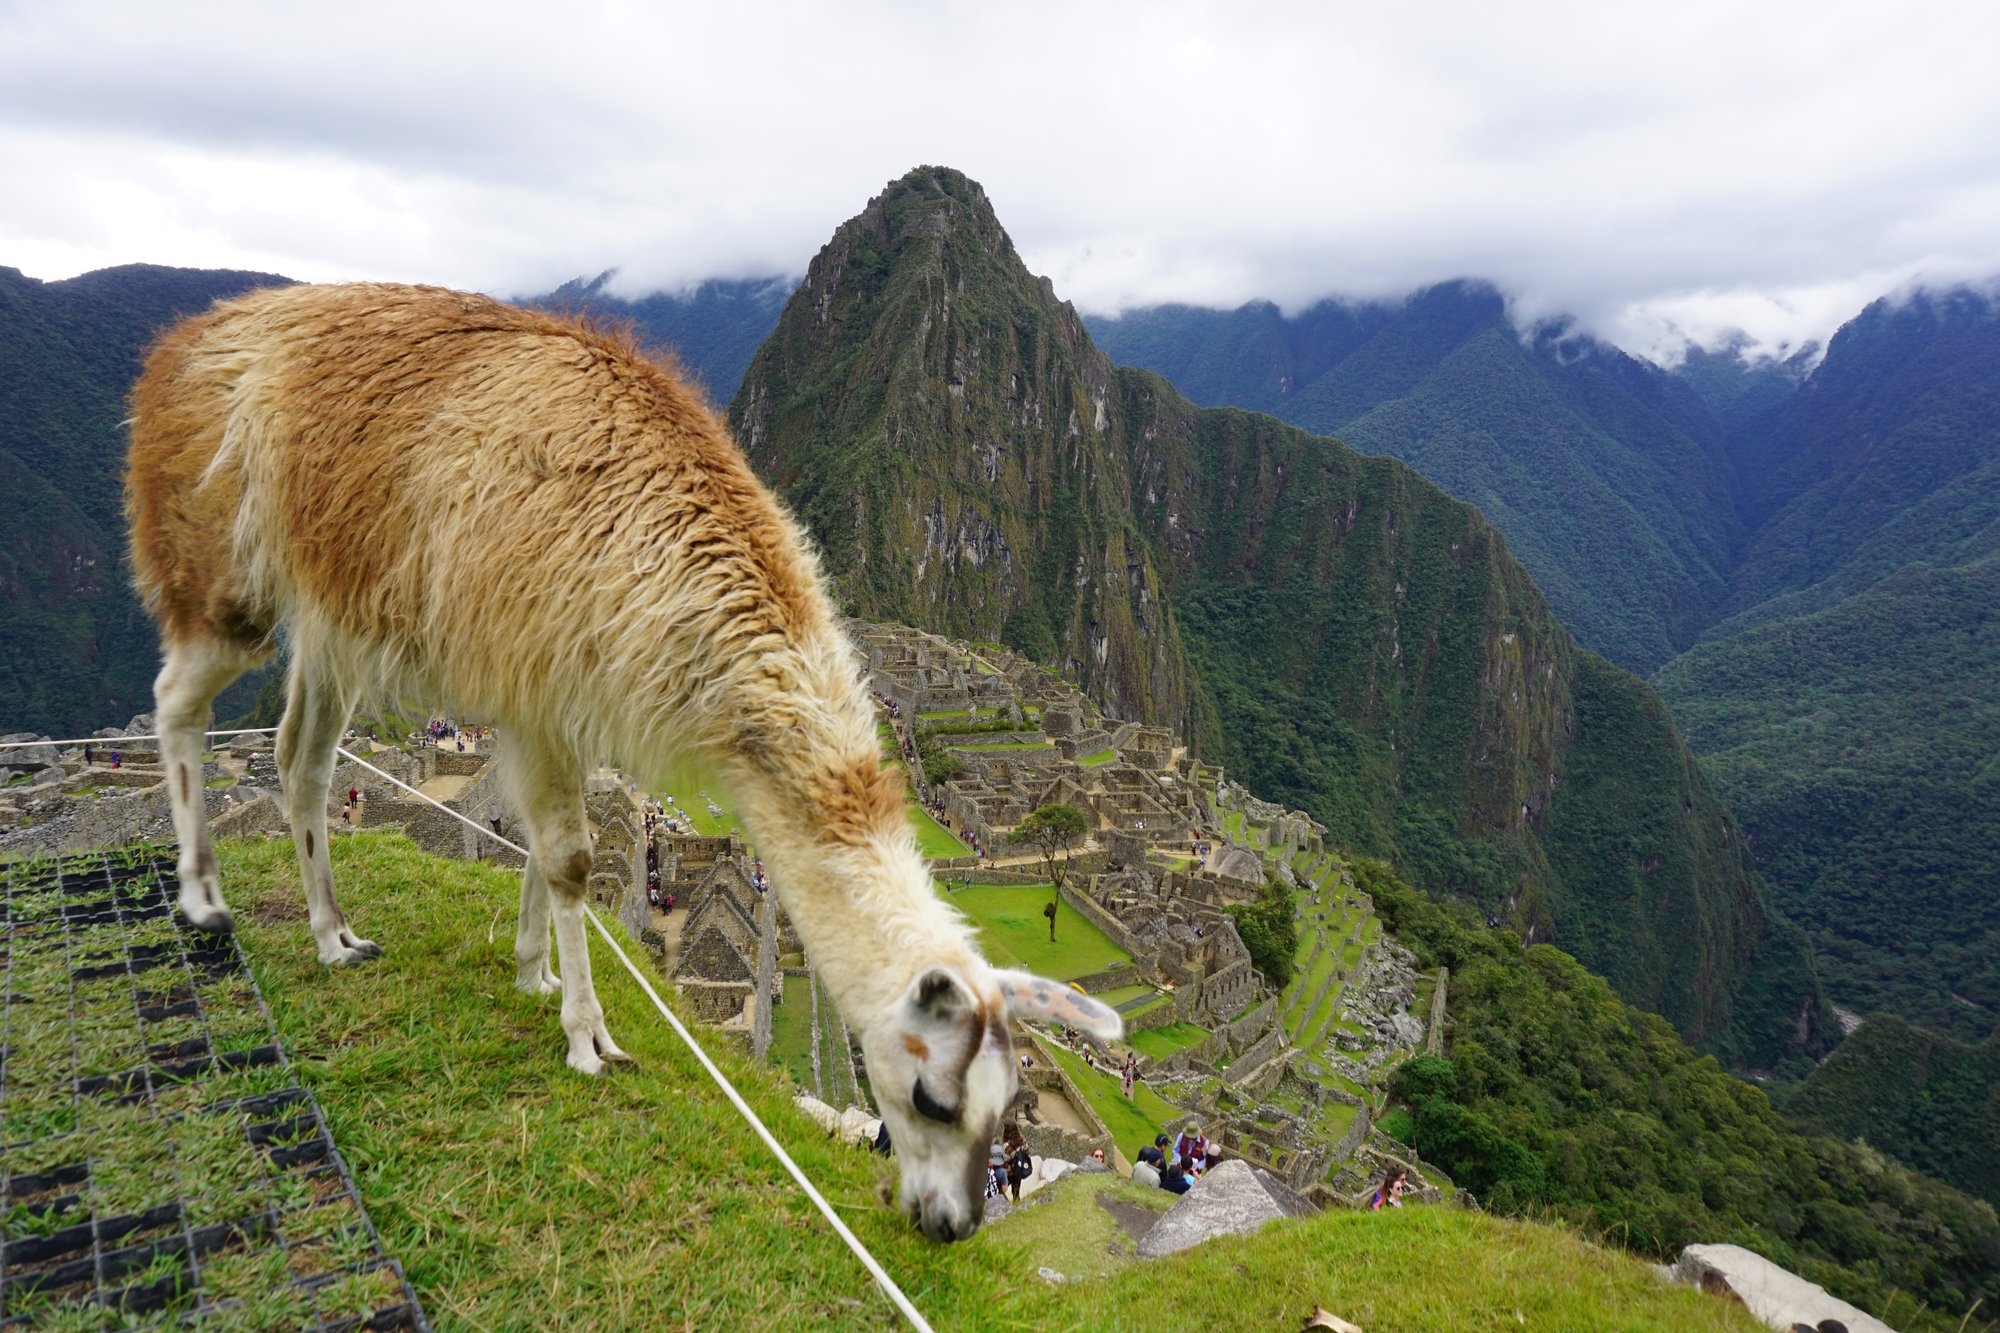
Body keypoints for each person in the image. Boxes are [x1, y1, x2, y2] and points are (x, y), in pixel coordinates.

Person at [1004, 1122, 1032, 1203]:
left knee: (998, 1190)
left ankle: (1006, 1205)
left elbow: (1005, 1163)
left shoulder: (1006, 1146)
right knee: (1016, 1193)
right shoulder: (1022, 1139)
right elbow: (1027, 1152)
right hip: (1019, 1170)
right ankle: (1017, 1206)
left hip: (1010, 1173)